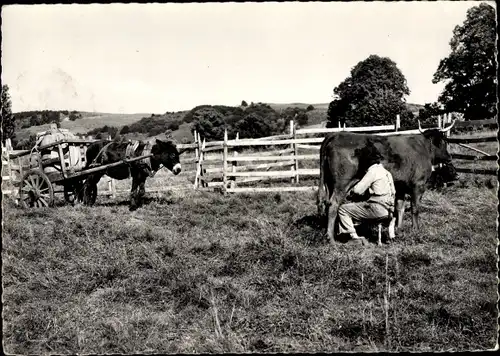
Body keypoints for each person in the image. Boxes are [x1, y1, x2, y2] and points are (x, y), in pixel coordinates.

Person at [337, 142, 396, 243]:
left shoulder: (372, 171)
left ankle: (353, 237)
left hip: (378, 209)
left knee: (343, 209)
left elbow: (357, 190)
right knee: (362, 206)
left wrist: (351, 192)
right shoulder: (387, 172)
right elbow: (393, 192)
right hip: (390, 210)